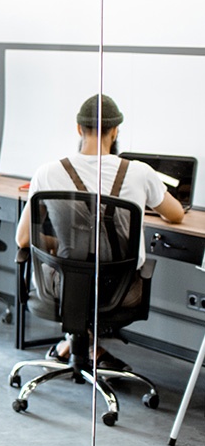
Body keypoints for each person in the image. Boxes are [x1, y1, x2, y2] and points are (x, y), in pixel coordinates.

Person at [17, 93, 184, 369]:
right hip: (118, 290)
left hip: (63, 287)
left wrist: (60, 242)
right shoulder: (140, 173)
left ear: (79, 129)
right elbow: (176, 214)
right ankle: (87, 345)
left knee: (74, 270)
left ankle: (76, 343)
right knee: (98, 275)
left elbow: (22, 239)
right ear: (116, 130)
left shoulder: (47, 173)